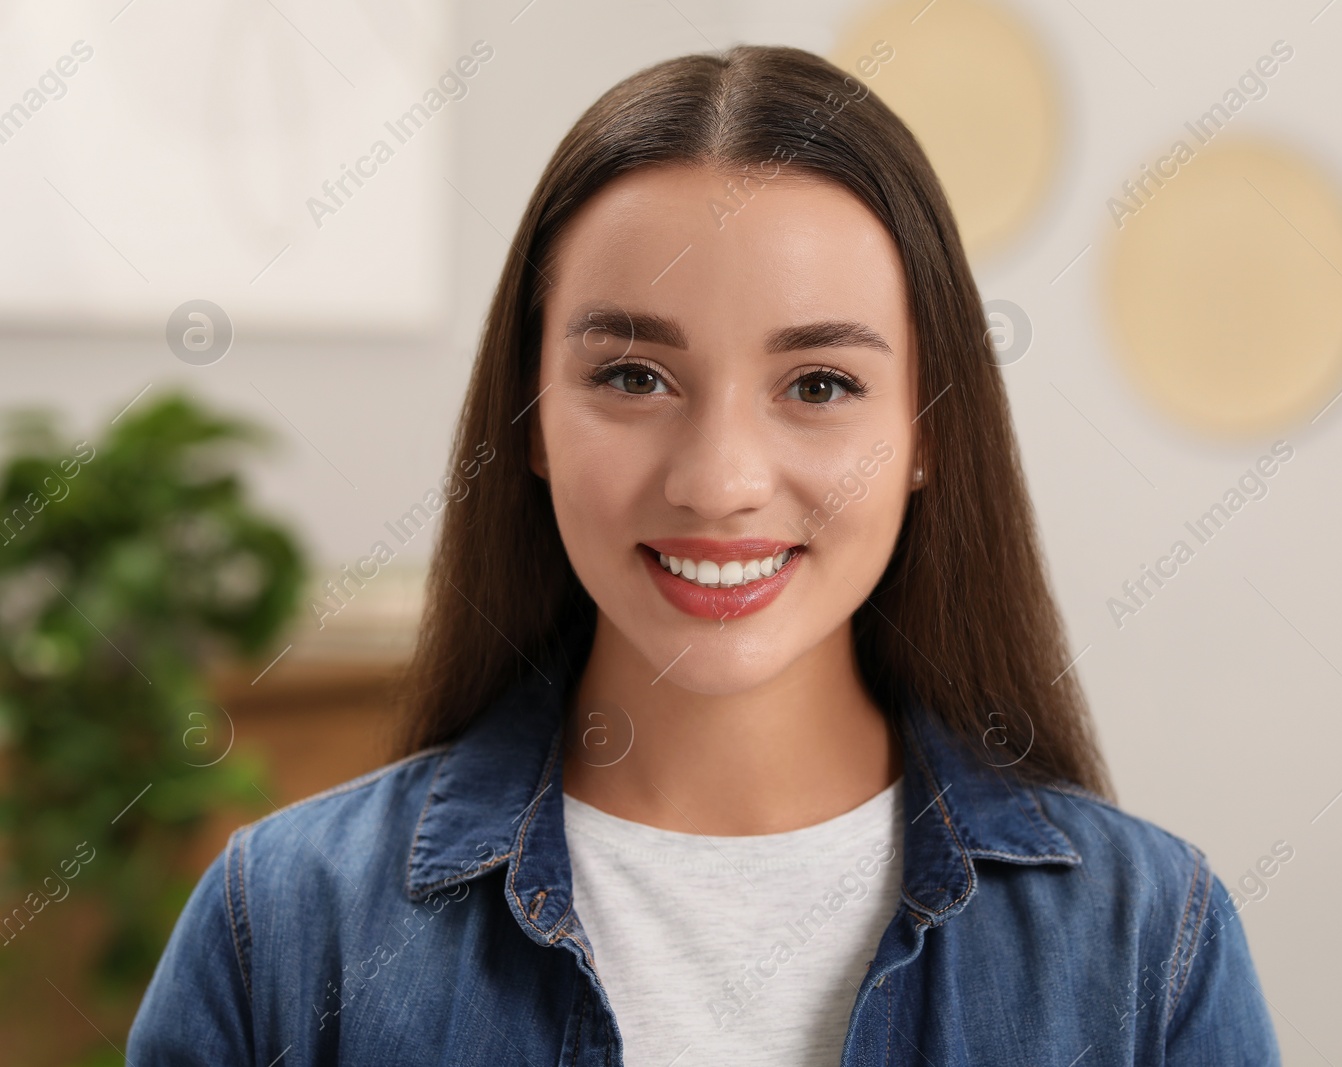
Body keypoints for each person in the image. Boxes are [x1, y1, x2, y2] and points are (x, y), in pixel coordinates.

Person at [127, 43, 1281, 1065]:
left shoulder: (1149, 946)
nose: (719, 479)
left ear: (928, 429)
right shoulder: (280, 929)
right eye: (633, 376)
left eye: (820, 383)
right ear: (528, 416)